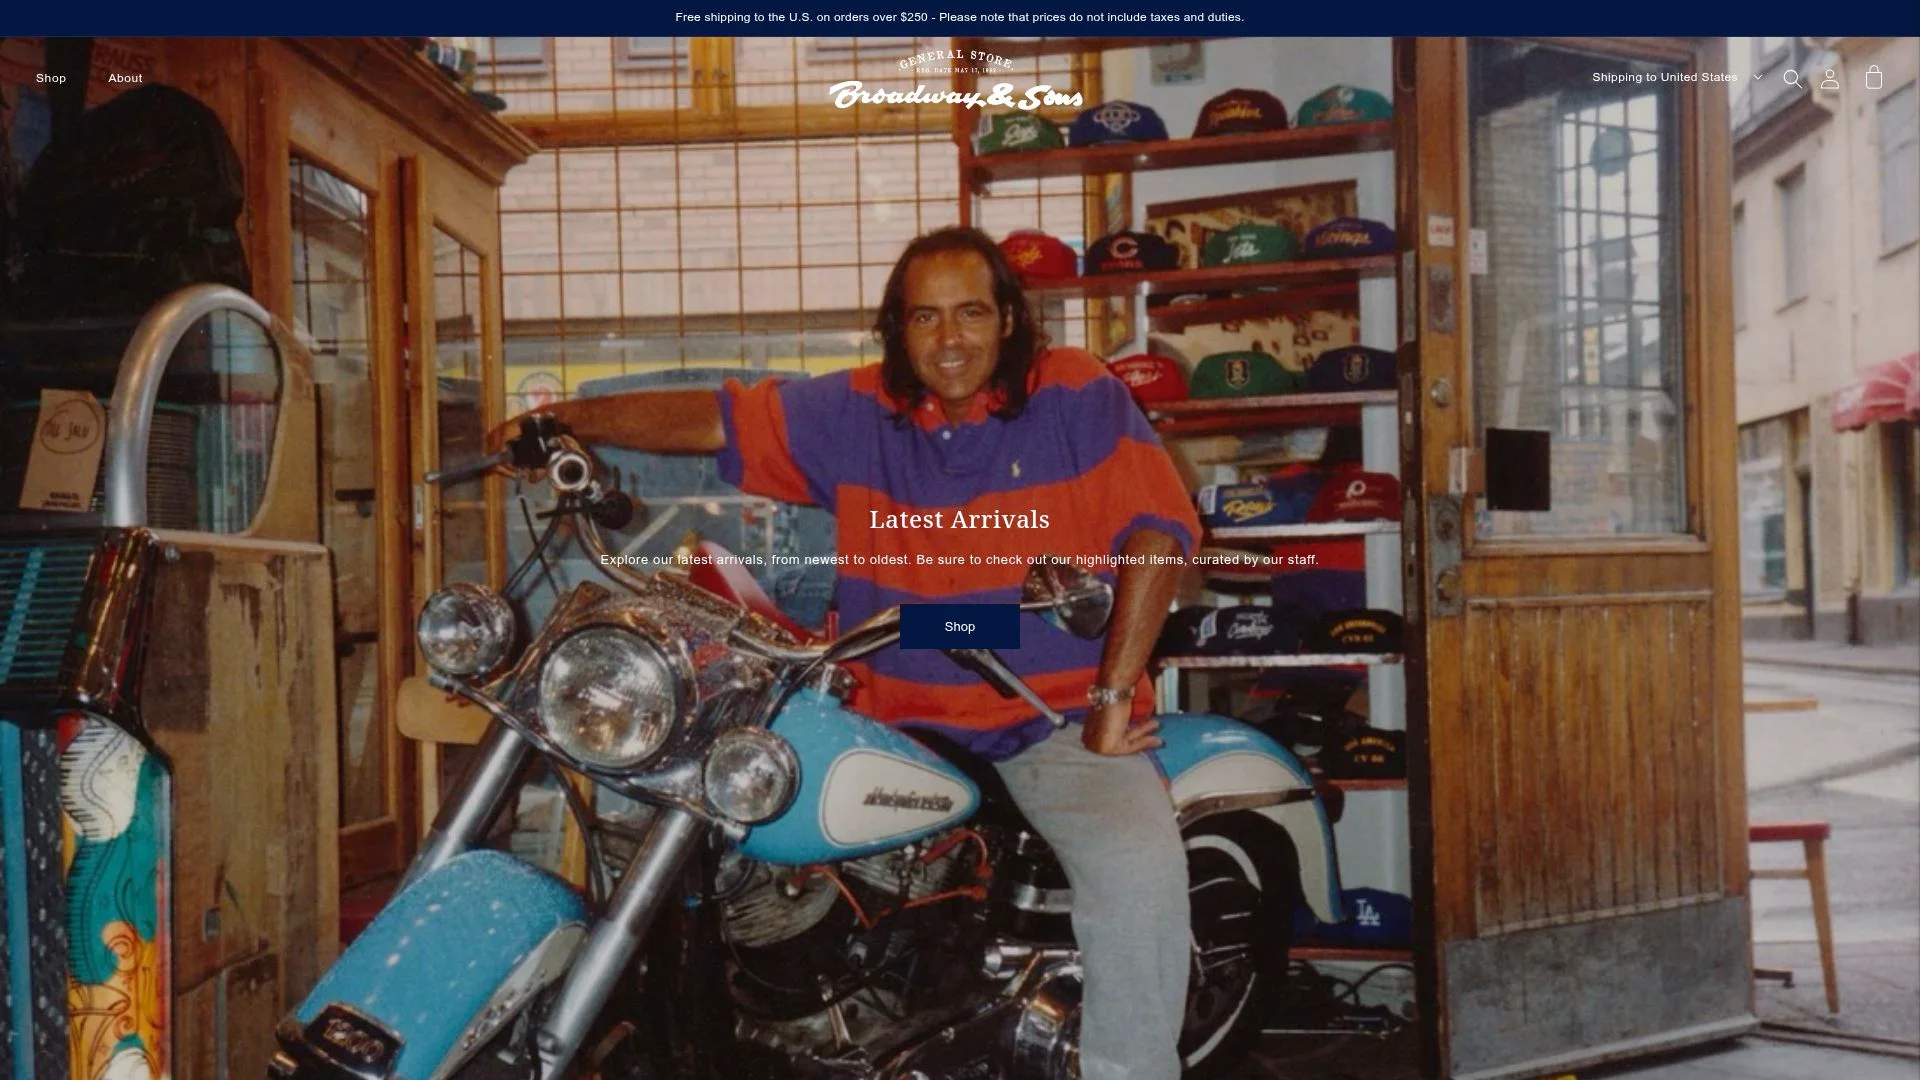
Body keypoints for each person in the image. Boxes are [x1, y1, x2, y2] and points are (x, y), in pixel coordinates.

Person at [494, 225, 1202, 1080]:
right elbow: (717, 415)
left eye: (972, 313)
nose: (950, 339)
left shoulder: (1075, 392)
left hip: (1046, 708)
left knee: (1135, 872)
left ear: (1009, 320)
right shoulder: (861, 411)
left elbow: (1158, 532)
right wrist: (563, 421)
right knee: (707, 810)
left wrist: (1114, 696)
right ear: (898, 329)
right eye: (925, 317)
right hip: (885, 709)